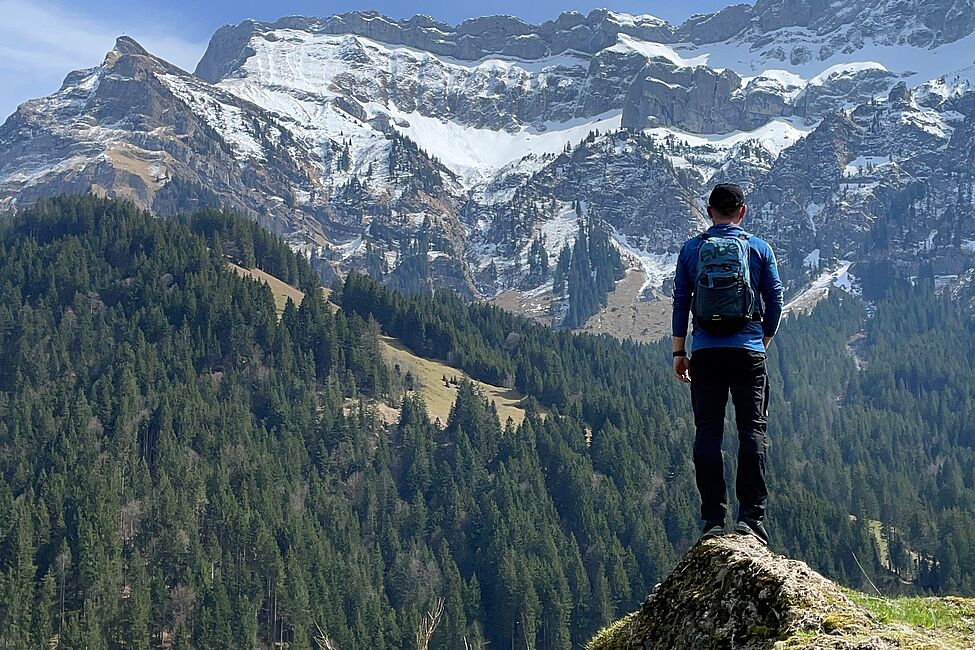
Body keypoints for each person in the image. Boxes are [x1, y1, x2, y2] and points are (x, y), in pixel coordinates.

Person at [671, 183, 783, 545]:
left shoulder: (692, 250)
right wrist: (763, 338)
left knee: (708, 433)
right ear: (743, 211)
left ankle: (713, 519)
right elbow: (776, 298)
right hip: (749, 351)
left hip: (705, 352)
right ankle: (751, 518)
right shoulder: (758, 248)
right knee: (752, 431)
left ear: (709, 211)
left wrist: (679, 352)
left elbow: (681, 302)